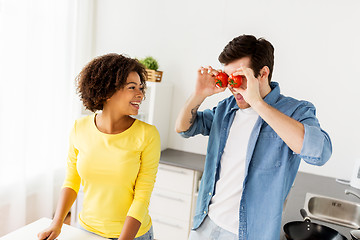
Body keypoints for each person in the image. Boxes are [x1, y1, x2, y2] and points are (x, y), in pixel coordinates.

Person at [175, 35, 332, 240]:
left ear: (263, 73)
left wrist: (257, 103)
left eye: (240, 79)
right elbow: (184, 128)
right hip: (205, 224)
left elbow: (319, 153)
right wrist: (199, 94)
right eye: (229, 79)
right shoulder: (226, 108)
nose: (233, 88)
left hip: (249, 234)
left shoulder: (296, 111)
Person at [38, 53, 161, 240]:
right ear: (108, 91)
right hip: (87, 230)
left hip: (133, 235)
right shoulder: (80, 128)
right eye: (132, 87)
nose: (140, 94)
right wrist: (57, 223)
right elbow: (72, 181)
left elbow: (142, 196)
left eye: (141, 88)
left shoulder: (147, 135)